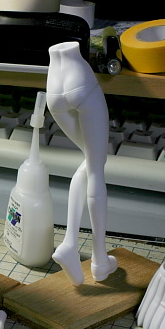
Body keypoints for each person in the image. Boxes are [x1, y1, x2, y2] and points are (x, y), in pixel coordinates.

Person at [46, 41, 117, 285]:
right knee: (96, 168)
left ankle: (70, 243)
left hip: (54, 82)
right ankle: (99, 260)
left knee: (91, 161)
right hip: (79, 77)